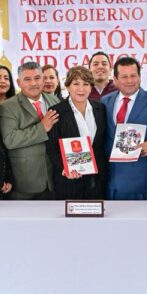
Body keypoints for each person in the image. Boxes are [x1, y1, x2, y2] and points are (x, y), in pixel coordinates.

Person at [102, 56, 147, 200]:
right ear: (114, 79)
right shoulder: (105, 102)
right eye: (124, 76)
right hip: (109, 180)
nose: (129, 81)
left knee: (143, 222)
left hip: (142, 181)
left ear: (140, 77)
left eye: (133, 76)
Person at [0, 62, 60, 200]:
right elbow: (10, 139)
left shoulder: (55, 100)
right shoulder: (7, 107)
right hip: (24, 182)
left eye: (37, 78)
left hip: (54, 179)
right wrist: (42, 128)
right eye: (27, 79)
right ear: (19, 82)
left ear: (43, 79)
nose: (34, 83)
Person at [46, 67, 108, 199]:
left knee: (96, 218)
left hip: (97, 181)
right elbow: (51, 148)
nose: (81, 89)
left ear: (91, 87)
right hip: (69, 181)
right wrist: (64, 168)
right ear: (67, 87)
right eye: (76, 83)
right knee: (70, 219)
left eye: (86, 84)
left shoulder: (100, 109)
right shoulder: (56, 111)